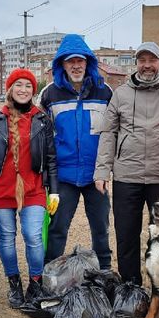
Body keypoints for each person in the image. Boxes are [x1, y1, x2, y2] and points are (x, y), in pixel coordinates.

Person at [94, 42, 159, 285]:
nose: (147, 65)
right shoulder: (121, 94)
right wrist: (102, 171)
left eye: (152, 60)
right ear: (136, 63)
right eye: (142, 60)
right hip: (127, 175)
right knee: (126, 235)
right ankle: (130, 287)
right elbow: (108, 133)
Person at [0, 68, 58, 308]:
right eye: (18, 85)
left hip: (33, 188)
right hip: (0, 189)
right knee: (7, 237)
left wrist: (53, 190)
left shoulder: (42, 120)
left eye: (28, 86)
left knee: (33, 236)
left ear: (33, 91)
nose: (23, 90)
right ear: (10, 89)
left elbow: (51, 157)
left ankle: (35, 283)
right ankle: (14, 283)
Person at [39, 34, 113, 269]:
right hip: (64, 176)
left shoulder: (105, 92)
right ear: (62, 64)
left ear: (88, 62)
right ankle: (50, 272)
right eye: (70, 61)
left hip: (96, 175)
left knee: (100, 228)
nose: (76, 66)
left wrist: (107, 168)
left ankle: (104, 271)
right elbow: (40, 135)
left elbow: (113, 132)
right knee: (58, 228)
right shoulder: (50, 94)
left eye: (80, 61)